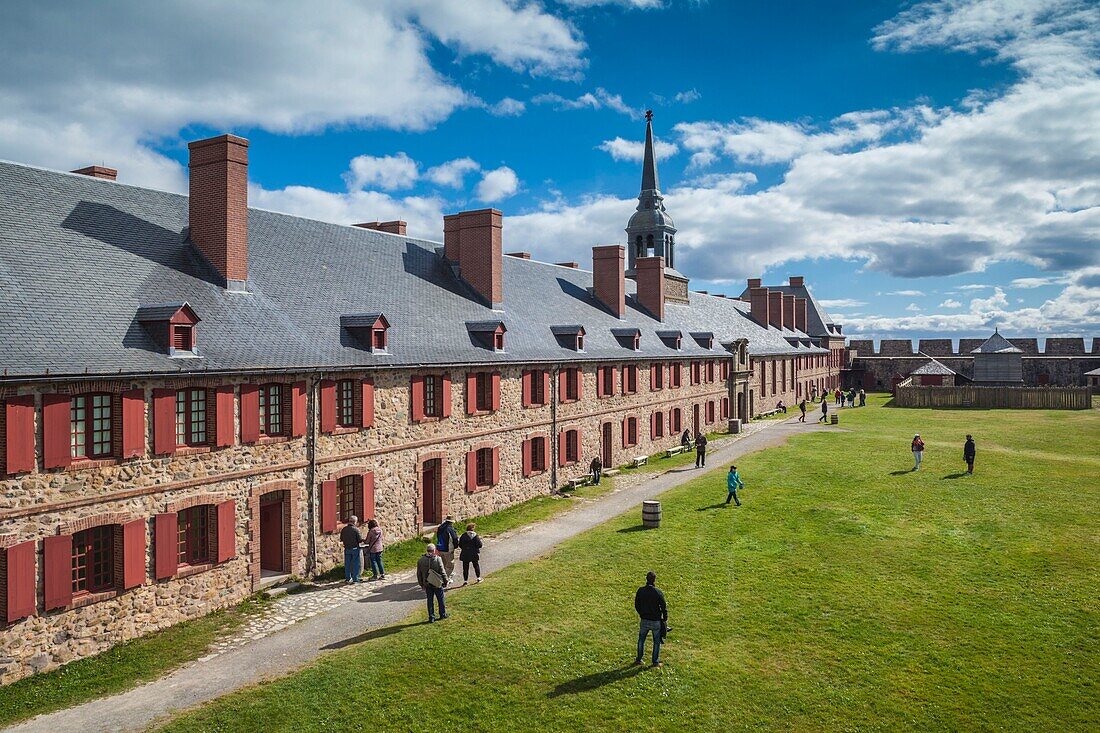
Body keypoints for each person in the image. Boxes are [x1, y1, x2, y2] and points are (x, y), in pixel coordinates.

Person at [633, 571, 668, 668]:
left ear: (646, 579)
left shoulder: (641, 591)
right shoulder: (658, 592)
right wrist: (664, 618)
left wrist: (641, 613)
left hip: (644, 619)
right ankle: (655, 662)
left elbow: (637, 605)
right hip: (655, 621)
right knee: (656, 642)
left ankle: (639, 659)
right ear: (654, 580)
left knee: (641, 640)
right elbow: (663, 607)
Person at [416, 544, 448, 622]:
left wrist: (421, 584)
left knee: (430, 600)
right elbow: (442, 571)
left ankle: (431, 617)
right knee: (440, 599)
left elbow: (419, 574)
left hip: (427, 583)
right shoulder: (438, 559)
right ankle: (442, 614)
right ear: (434, 550)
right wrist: (445, 581)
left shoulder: (421, 560)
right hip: (437, 583)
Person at [339, 515, 363, 583]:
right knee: (355, 563)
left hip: (347, 548)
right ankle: (355, 578)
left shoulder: (344, 529)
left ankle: (348, 578)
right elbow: (360, 540)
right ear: (354, 522)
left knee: (347, 564)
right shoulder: (356, 529)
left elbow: (341, 539)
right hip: (355, 548)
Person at [435, 515, 460, 580]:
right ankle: (445, 579)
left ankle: (442, 576)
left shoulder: (440, 527)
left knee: (443, 564)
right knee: (450, 565)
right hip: (448, 549)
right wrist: (456, 546)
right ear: (451, 522)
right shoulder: (450, 529)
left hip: (440, 548)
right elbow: (454, 539)